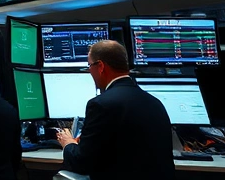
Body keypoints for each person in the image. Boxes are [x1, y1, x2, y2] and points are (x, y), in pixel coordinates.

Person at [57, 40, 175, 180]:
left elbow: (82, 163)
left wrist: (68, 143)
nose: (89, 71)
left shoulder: (100, 104)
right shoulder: (155, 103)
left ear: (100, 66)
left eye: (89, 66)